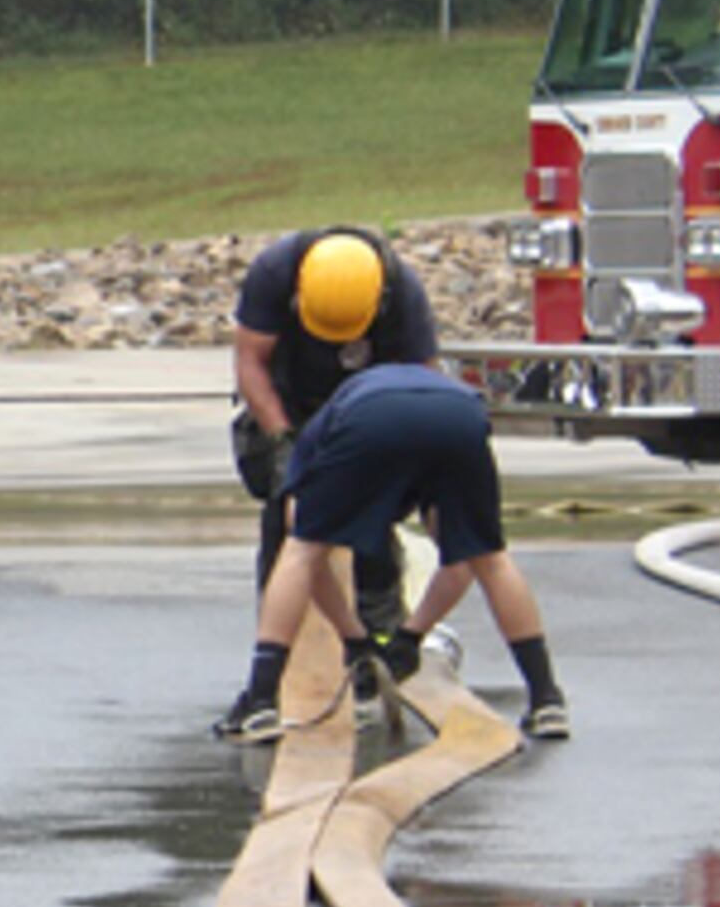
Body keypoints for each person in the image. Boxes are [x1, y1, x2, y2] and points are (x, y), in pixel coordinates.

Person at [212, 361, 569, 744]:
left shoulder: (318, 436)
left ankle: (261, 703)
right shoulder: (416, 418)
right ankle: (547, 700)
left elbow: (304, 555)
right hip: (460, 415)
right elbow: (462, 559)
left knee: (301, 548)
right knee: (490, 556)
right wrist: (411, 636)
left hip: (370, 417)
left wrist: (354, 638)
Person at [231, 228, 438, 639]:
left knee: (372, 511)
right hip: (290, 402)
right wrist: (283, 441)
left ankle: (378, 631)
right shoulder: (275, 272)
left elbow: (424, 377)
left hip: (369, 406)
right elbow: (250, 362)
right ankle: (279, 644)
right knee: (285, 516)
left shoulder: (401, 290)